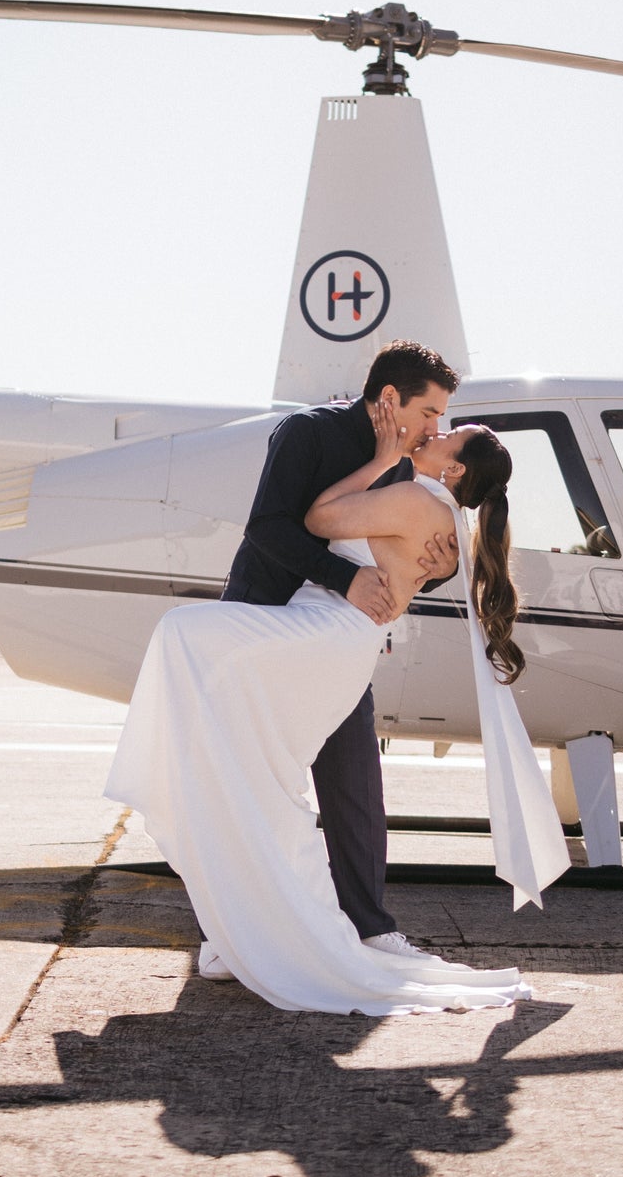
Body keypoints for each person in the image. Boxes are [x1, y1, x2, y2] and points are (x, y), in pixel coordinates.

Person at [104, 411, 542, 1013]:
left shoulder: (417, 497)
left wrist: (380, 461)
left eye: (447, 435)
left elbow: (318, 518)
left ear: (456, 467)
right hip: (336, 639)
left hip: (326, 631)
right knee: (263, 774)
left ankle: (262, 924)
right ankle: (247, 926)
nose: (434, 433)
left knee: (184, 633)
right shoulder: (437, 513)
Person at [207, 340, 463, 978]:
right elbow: (267, 526)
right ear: (388, 400)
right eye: (429, 413)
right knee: (253, 787)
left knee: (354, 783)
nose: (437, 429)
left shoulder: (405, 473)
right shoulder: (304, 433)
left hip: (335, 644)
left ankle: (370, 931)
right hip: (261, 627)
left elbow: (391, 559)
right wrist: (343, 580)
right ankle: (227, 935)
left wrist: (431, 573)